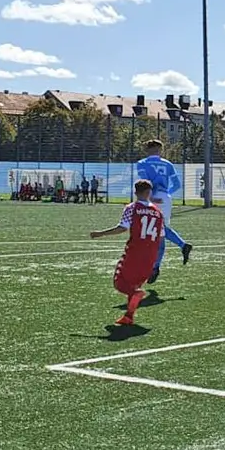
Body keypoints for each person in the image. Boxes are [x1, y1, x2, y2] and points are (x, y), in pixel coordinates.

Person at [88, 179, 163, 327]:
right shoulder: (158, 212)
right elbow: (160, 236)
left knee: (120, 283)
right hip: (150, 256)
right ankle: (129, 316)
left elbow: (122, 228)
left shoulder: (132, 208)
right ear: (149, 193)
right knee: (135, 286)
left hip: (134, 252)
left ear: (135, 192)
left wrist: (100, 234)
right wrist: (156, 261)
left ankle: (134, 300)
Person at [134, 139, 195, 284]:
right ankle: (182, 245)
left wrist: (152, 197)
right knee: (162, 230)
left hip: (151, 197)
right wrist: (166, 194)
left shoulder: (142, 163)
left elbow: (146, 182)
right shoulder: (168, 164)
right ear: (160, 150)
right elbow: (177, 185)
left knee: (155, 233)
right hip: (165, 198)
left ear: (147, 150)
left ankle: (154, 267)